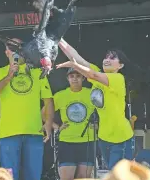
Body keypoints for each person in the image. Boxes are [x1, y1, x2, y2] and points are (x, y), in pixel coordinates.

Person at [0, 38, 54, 180]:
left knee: (34, 179)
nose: (16, 50)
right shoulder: (0, 72)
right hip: (8, 133)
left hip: (34, 133)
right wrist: (9, 76)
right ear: (6, 52)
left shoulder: (37, 72)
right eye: (11, 47)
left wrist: (48, 124)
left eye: (19, 46)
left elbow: (48, 101)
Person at [57, 38, 134, 170]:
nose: (107, 59)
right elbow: (75, 56)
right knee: (111, 177)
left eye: (113, 58)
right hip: (104, 137)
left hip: (121, 138)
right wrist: (57, 37)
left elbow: (92, 75)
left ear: (120, 66)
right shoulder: (98, 73)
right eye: (106, 57)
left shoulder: (117, 78)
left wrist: (74, 66)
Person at [43, 68, 97, 180]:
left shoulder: (91, 93)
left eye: (78, 76)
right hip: (67, 142)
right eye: (71, 76)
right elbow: (44, 113)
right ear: (67, 79)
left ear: (83, 78)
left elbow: (105, 111)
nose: (74, 78)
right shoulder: (60, 95)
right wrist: (56, 127)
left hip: (87, 142)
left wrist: (98, 125)